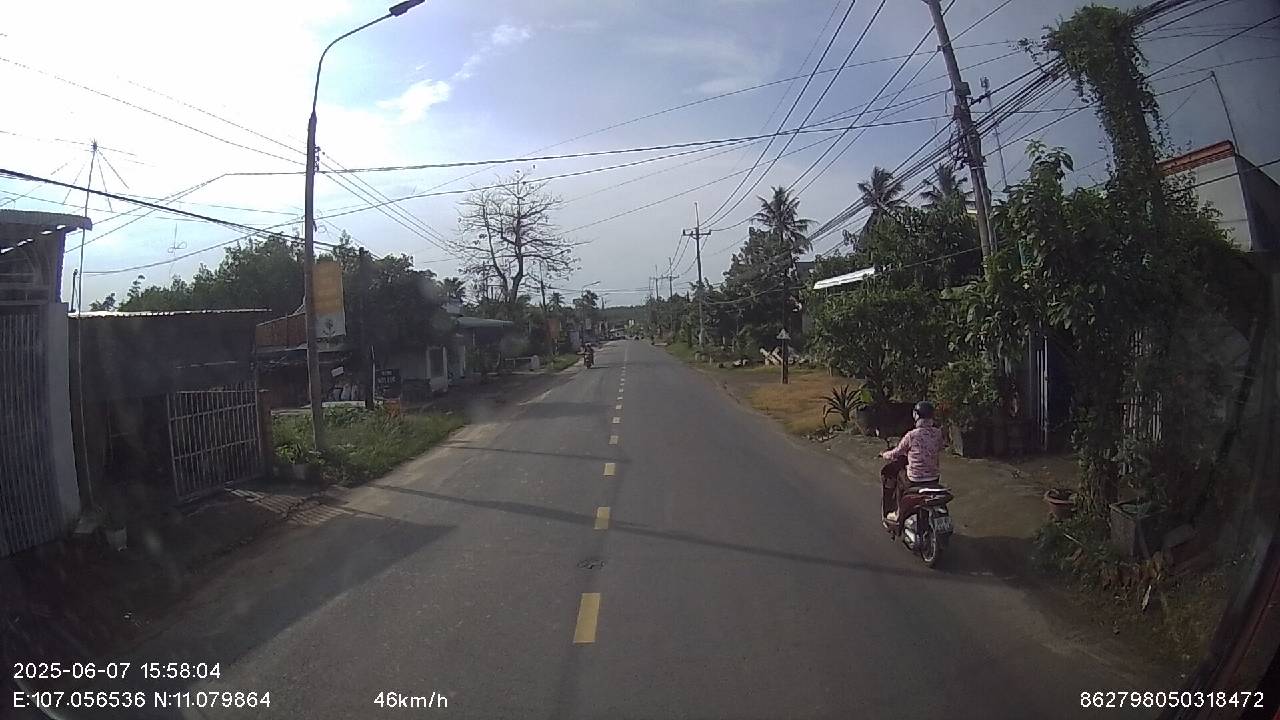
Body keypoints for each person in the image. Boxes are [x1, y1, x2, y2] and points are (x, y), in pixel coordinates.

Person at [880, 400, 945, 522]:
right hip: (934, 478)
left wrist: (884, 454)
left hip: (915, 479)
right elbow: (940, 447)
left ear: (916, 415)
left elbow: (895, 453)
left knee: (899, 476)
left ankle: (898, 512)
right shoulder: (937, 433)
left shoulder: (911, 435)